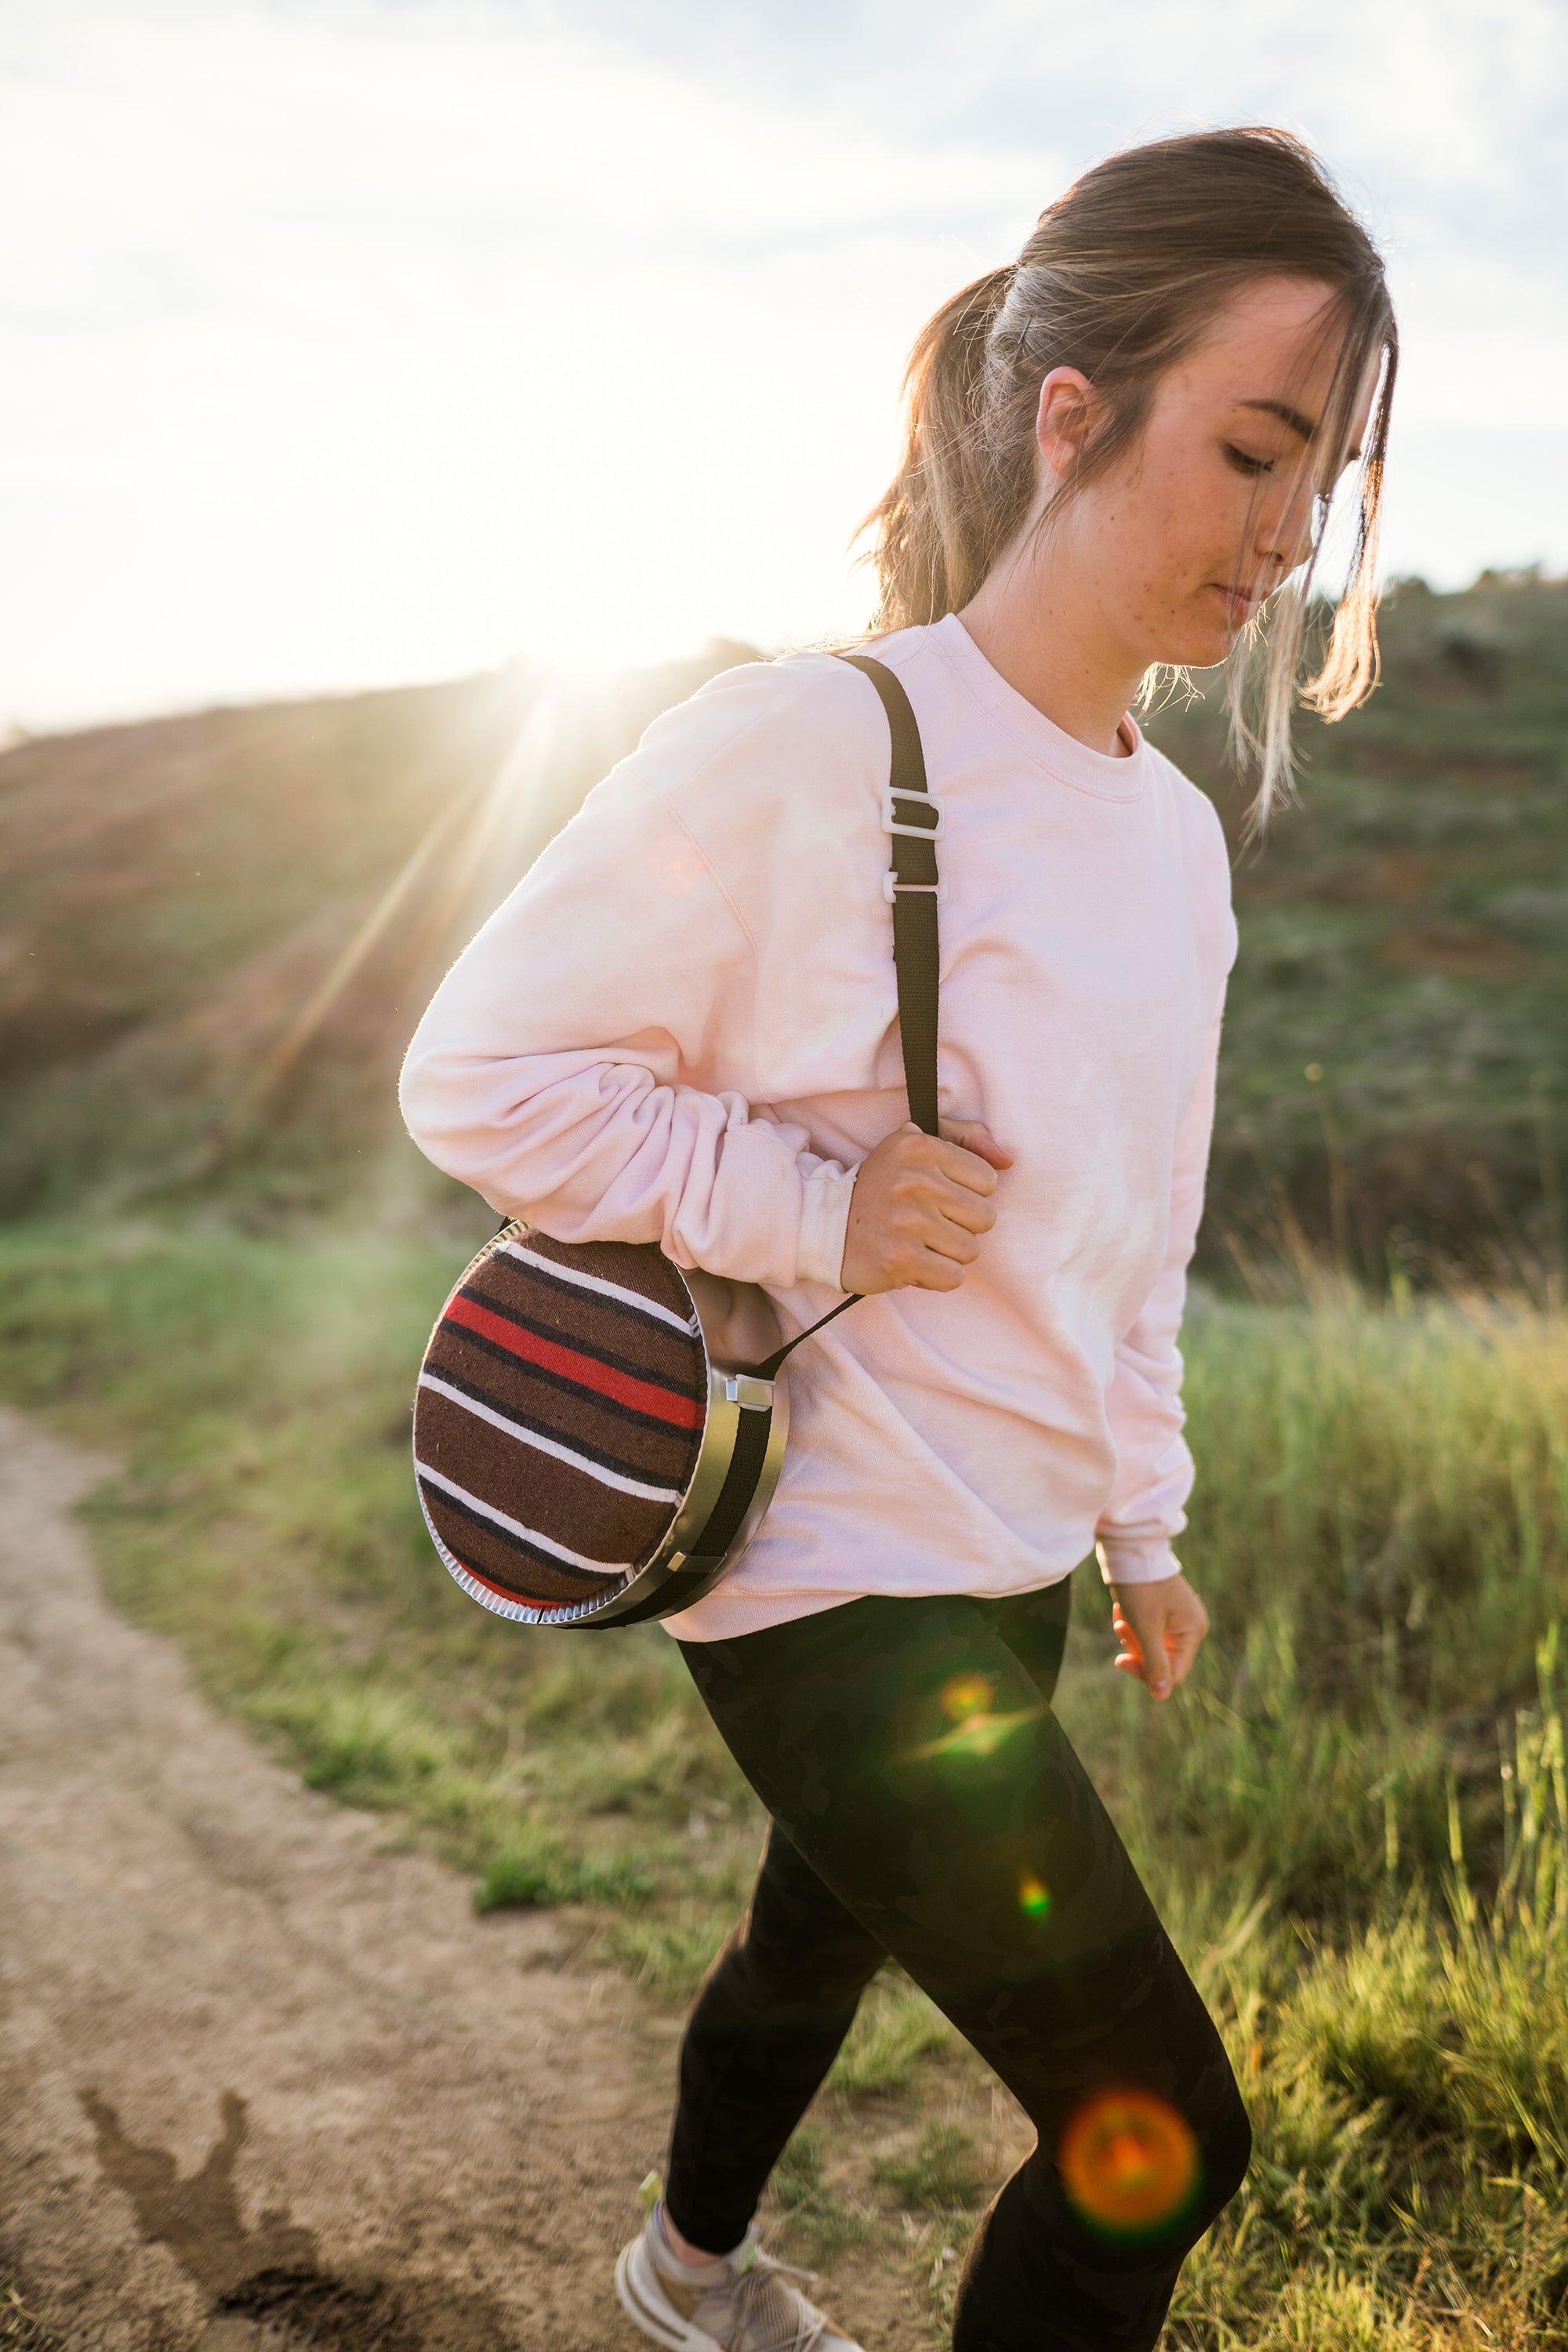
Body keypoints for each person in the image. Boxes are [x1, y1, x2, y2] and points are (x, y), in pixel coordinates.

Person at [401, 125, 1396, 2352]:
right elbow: (477, 1076)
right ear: (1073, 413)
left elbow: (1142, 1235)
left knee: (805, 1945)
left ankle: (683, 2278)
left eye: (1313, 482)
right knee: (1159, 2133)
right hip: (817, 1566)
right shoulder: (804, 747)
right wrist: (809, 1200)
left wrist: (1141, 1522)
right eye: (1250, 450)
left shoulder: (1177, 852)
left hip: (1018, 1554)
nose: (1281, 536)